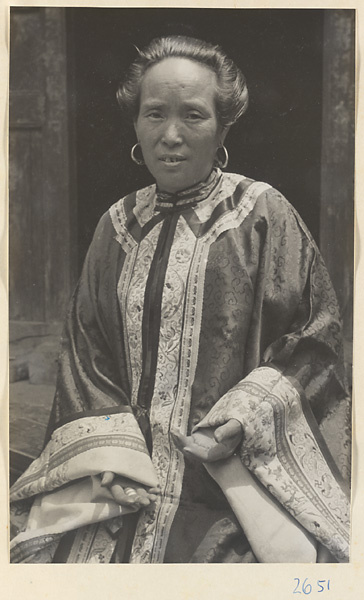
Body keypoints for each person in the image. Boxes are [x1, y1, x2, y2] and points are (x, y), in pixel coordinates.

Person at [10, 35, 351, 564]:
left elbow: (314, 340)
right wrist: (110, 461)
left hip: (231, 480)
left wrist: (242, 421)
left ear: (222, 129)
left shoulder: (262, 215)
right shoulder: (116, 226)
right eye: (154, 115)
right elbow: (87, 356)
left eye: (193, 115)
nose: (170, 135)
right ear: (135, 126)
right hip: (125, 485)